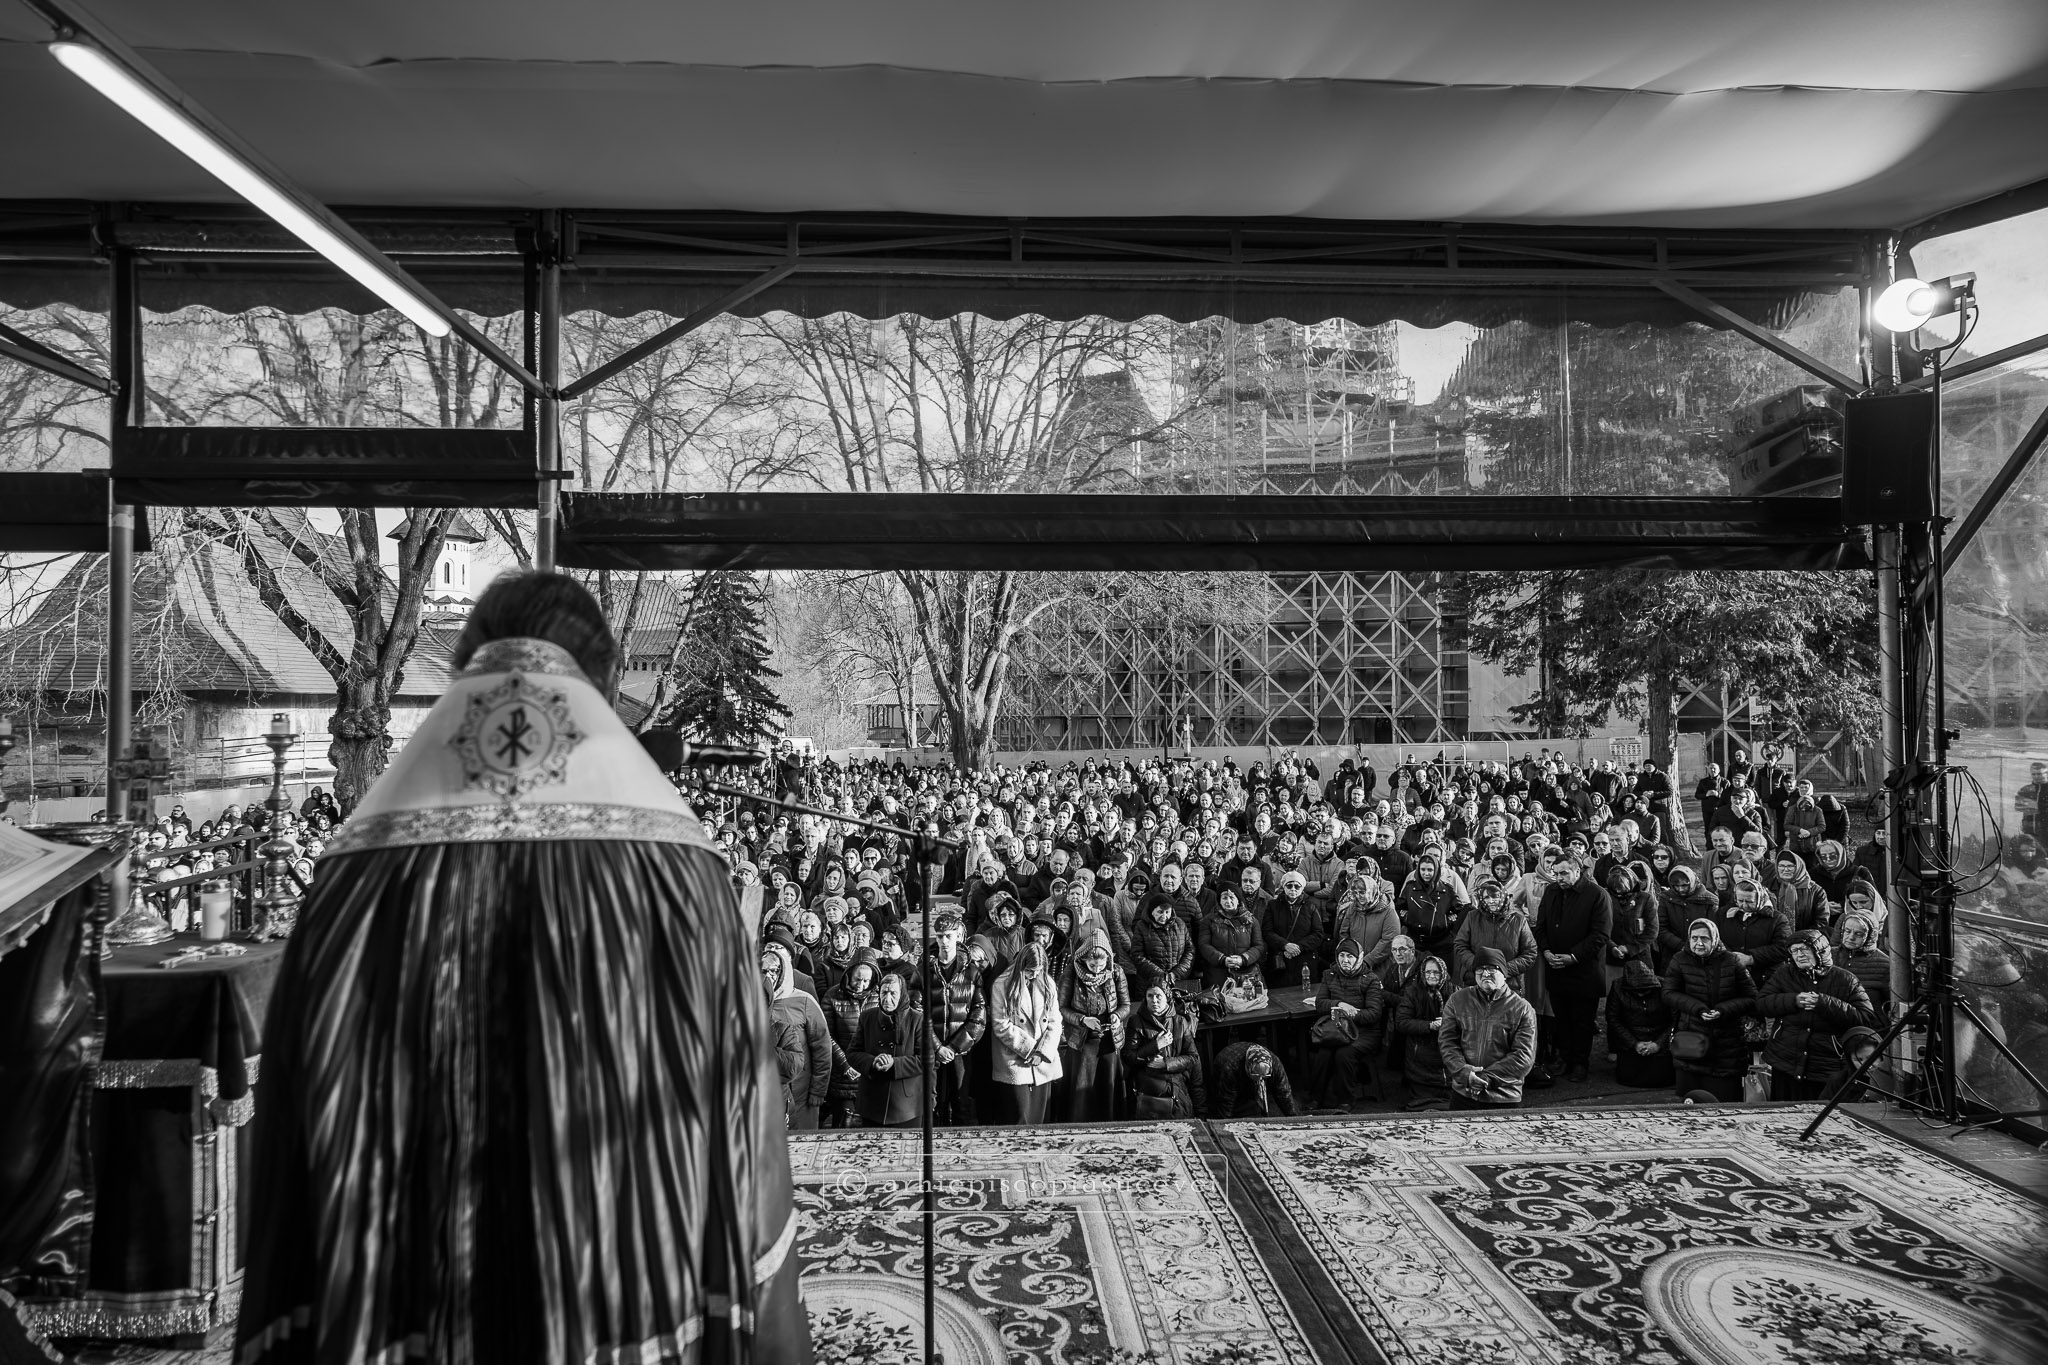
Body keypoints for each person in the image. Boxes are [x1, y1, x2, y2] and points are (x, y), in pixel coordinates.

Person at [238, 571, 809, 1365]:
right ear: (600, 689)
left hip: (402, 1307)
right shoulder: (682, 874)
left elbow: (291, 1138)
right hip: (626, 1307)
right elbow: (744, 1126)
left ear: (464, 674)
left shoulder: (349, 877)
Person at [1752, 930, 1876, 1100]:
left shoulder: (1846, 980)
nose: (1799, 955)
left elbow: (1865, 1018)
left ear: (1820, 951)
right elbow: (1762, 1003)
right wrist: (1793, 1000)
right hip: (1786, 1061)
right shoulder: (1784, 974)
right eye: (1794, 951)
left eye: (1804, 949)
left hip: (1825, 1065)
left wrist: (1824, 1003)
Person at [1534, 854, 1613, 1083]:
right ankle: (1565, 1058)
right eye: (1556, 873)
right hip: (1555, 966)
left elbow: (1601, 934)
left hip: (1584, 969)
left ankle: (1580, 1063)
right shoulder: (1551, 891)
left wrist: (1573, 957)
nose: (1559, 878)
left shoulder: (1597, 894)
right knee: (1561, 1018)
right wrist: (1546, 951)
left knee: (1582, 1020)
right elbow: (1541, 926)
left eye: (1564, 873)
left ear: (1577, 871)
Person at [1663, 918, 1757, 1102]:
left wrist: (1723, 1010)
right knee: (1690, 1101)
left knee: (1724, 1101)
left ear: (1714, 939)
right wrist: (1698, 1009)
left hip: (1726, 1045)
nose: (1699, 943)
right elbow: (1668, 993)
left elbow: (1752, 997)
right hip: (1691, 1040)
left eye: (1704, 938)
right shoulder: (1680, 960)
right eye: (1694, 938)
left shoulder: (1731, 961)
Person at [1439, 948, 1538, 1107]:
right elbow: (1447, 1042)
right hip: (1463, 1092)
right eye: (1480, 969)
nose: (1485, 974)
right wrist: (1465, 1073)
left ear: (1504, 973)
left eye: (1492, 969)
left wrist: (1485, 1078)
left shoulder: (1522, 1009)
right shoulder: (1457, 1000)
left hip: (1503, 1096)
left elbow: (1523, 1056)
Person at [1057, 927, 1130, 1122]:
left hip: (1108, 1039)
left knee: (1107, 1087)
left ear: (1108, 960)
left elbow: (1125, 1005)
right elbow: (1061, 1008)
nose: (1096, 970)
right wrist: (1083, 1020)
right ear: (1084, 959)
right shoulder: (1072, 972)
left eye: (1101, 965)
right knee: (1082, 1090)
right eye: (1092, 965)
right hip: (1082, 1039)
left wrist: (1117, 1016)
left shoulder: (1116, 972)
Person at [1306, 938, 1388, 1110]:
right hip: (1337, 1029)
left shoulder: (1371, 979)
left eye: (1350, 956)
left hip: (1364, 1032)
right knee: (1323, 1053)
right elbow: (1320, 1003)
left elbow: (1374, 1014)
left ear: (1359, 958)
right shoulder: (1329, 975)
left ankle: (1346, 1100)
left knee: (1343, 1054)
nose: (1345, 960)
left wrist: (1352, 1013)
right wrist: (1339, 1005)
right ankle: (1316, 1098)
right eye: (1341, 955)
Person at [923, 909, 988, 1126]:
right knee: (934, 1104)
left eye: (949, 936)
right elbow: (917, 1011)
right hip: (933, 1049)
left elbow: (979, 1013)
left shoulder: (971, 972)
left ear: (957, 937)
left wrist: (955, 1046)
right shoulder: (924, 970)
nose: (944, 941)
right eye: (940, 936)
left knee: (961, 1102)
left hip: (960, 1049)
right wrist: (937, 1046)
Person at [763, 940, 834, 1130]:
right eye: (764, 971)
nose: (769, 976)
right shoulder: (751, 1002)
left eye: (774, 971)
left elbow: (822, 1047)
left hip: (802, 1092)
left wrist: (818, 1090)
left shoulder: (804, 1001)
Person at [989, 941, 1063, 1123]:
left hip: (1042, 1061)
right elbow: (1001, 1024)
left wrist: (1042, 1052)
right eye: (1030, 971)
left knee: (1040, 1118)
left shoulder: (1048, 983)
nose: (1034, 975)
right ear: (1021, 966)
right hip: (1014, 1059)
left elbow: (1055, 1020)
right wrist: (1030, 1049)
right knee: (1019, 1117)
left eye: (1038, 970)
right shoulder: (1001, 985)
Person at [851, 967, 927, 1127]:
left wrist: (894, 1064)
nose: (887, 998)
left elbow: (926, 1060)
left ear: (902, 995)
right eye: (884, 993)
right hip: (872, 1100)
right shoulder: (867, 1017)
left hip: (905, 1105)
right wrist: (872, 1061)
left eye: (893, 993)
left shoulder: (917, 1019)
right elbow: (852, 1053)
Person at [1122, 983, 1202, 1118]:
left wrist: (1166, 1063)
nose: (1154, 1000)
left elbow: (1193, 1057)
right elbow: (1128, 1057)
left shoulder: (1180, 1022)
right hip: (1147, 1085)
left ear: (1167, 998)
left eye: (1158, 996)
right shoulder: (1136, 1021)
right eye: (1150, 996)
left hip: (1175, 1083)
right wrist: (1155, 1046)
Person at [1393, 954, 1454, 1109]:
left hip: (1447, 1044)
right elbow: (1402, 1022)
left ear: (1443, 973)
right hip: (1420, 1046)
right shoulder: (1413, 992)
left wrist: (1447, 1023)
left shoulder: (1454, 991)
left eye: (1436, 972)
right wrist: (1430, 1025)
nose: (1431, 975)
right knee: (1421, 1097)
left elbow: (1465, 1019)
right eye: (1428, 972)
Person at [1605, 957, 1675, 1089]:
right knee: (1629, 1076)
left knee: (1663, 1077)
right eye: (1637, 992)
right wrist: (1634, 1043)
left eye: (1645, 991)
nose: (1641, 994)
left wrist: (1658, 1044)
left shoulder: (1664, 986)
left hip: (1660, 1035)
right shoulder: (1617, 987)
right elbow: (1613, 1018)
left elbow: (1675, 1020)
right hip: (1631, 1037)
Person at [1209, 1041, 1297, 1118]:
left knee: (1255, 1110)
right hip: (1225, 1072)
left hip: (1244, 1075)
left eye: (1264, 1076)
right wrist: (1223, 1124)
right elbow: (1226, 1101)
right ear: (1249, 1067)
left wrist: (1293, 1117)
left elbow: (1283, 1093)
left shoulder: (1275, 1065)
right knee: (1232, 1111)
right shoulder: (1230, 1068)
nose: (1260, 1079)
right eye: (1256, 1075)